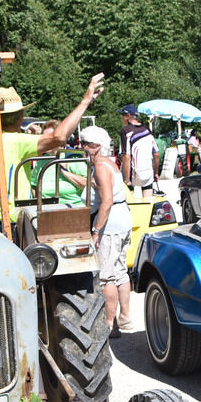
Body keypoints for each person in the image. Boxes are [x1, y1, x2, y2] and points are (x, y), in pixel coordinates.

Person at [0, 75, 105, 233]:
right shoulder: (15, 142)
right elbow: (59, 137)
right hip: (12, 223)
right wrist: (85, 100)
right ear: (20, 117)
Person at [82, 125, 133, 337]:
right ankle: (125, 317)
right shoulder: (109, 164)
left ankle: (110, 325)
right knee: (120, 271)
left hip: (110, 225)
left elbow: (106, 201)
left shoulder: (101, 167)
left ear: (95, 147)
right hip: (122, 220)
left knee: (106, 276)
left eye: (85, 144)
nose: (82, 147)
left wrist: (96, 231)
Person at [117, 104, 145, 185]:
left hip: (130, 168)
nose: (122, 118)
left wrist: (127, 179)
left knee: (127, 194)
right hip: (144, 168)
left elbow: (126, 156)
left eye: (122, 115)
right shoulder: (145, 129)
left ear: (128, 116)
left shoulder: (125, 131)